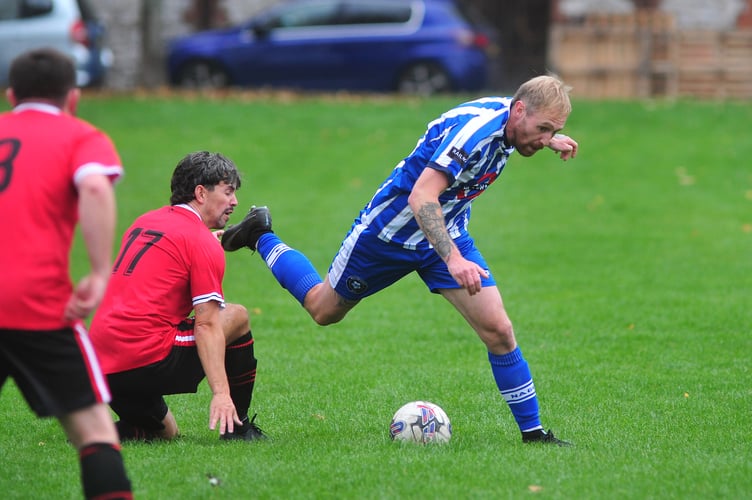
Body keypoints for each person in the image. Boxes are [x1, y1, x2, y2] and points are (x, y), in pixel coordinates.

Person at [223, 74, 578, 446]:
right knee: (323, 309)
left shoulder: (516, 120)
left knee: (499, 331)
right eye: (542, 128)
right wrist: (454, 260)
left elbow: (521, 125)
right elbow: (422, 197)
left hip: (446, 231)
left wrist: (547, 138)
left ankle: (534, 435)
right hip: (388, 235)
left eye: (551, 130)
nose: (542, 138)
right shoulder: (472, 134)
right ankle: (260, 234)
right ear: (519, 111)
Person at [0, 48, 133, 498]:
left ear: (11, 95)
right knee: (95, 431)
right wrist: (98, 272)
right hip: (36, 304)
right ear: (72, 98)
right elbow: (95, 184)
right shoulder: (80, 136)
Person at [89, 151, 265, 442]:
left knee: (166, 434)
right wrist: (221, 394)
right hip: (144, 357)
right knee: (237, 316)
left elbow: (178, 248)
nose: (234, 202)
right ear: (200, 192)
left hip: (101, 366)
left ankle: (96, 433)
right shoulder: (199, 241)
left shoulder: (145, 221)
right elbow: (207, 325)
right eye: (228, 191)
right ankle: (238, 427)